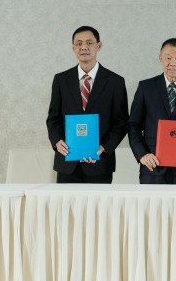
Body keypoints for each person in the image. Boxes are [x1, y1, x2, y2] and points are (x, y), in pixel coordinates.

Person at [46, 25, 129, 184]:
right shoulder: (61, 80)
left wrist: (104, 147)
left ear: (99, 46)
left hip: (99, 162)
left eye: (89, 43)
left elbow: (121, 122)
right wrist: (57, 141)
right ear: (73, 48)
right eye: (79, 43)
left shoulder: (115, 82)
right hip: (67, 162)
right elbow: (53, 118)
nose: (84, 47)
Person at [127, 38, 176, 185]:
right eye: (168, 58)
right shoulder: (146, 87)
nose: (173, 63)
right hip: (152, 167)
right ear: (160, 58)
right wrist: (142, 154)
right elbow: (134, 125)